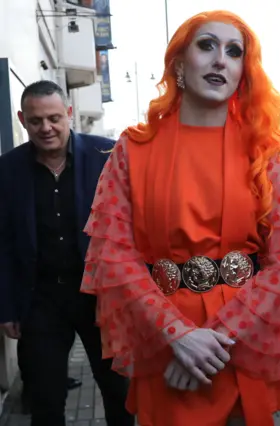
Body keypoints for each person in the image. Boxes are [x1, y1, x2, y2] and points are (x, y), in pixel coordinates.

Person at [80, 11, 280, 426]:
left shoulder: (266, 153)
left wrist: (212, 341)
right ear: (179, 63)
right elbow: (113, 257)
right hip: (163, 345)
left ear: (243, 71)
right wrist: (176, 334)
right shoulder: (131, 150)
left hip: (242, 342)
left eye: (234, 52)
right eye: (206, 45)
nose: (220, 60)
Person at [0, 80, 132, 426]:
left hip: (100, 296)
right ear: (21, 119)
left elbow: (134, 225)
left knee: (120, 393)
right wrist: (7, 307)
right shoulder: (7, 170)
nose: (46, 128)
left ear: (69, 114)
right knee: (45, 399)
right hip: (40, 299)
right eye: (36, 120)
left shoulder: (108, 155)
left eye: (54, 118)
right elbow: (3, 244)